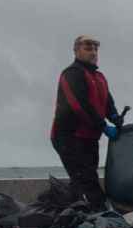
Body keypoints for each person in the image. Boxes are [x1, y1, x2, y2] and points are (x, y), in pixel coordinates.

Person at [50, 35, 123, 210]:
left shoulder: (99, 77)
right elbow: (79, 105)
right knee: (85, 179)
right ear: (76, 50)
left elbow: (107, 103)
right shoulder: (71, 74)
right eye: (88, 48)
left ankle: (80, 216)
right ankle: (100, 214)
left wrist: (115, 117)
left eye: (95, 49)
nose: (93, 52)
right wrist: (103, 126)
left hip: (89, 138)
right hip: (68, 136)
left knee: (85, 179)